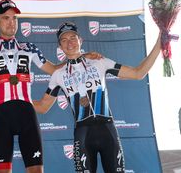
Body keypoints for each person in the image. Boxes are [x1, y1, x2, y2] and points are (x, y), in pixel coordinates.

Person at [0, 0, 101, 173]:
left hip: (26, 115)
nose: (11, 22)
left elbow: (53, 69)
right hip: (0, 116)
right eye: (6, 18)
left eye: (14, 18)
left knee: (37, 171)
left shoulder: (29, 48)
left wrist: (80, 57)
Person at [33, 22, 161, 173]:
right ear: (59, 47)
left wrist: (160, 41)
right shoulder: (57, 75)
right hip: (83, 134)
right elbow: (42, 106)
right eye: (64, 40)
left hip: (107, 130)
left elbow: (138, 73)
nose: (69, 43)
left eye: (73, 38)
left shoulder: (100, 62)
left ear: (81, 40)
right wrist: (15, 96)